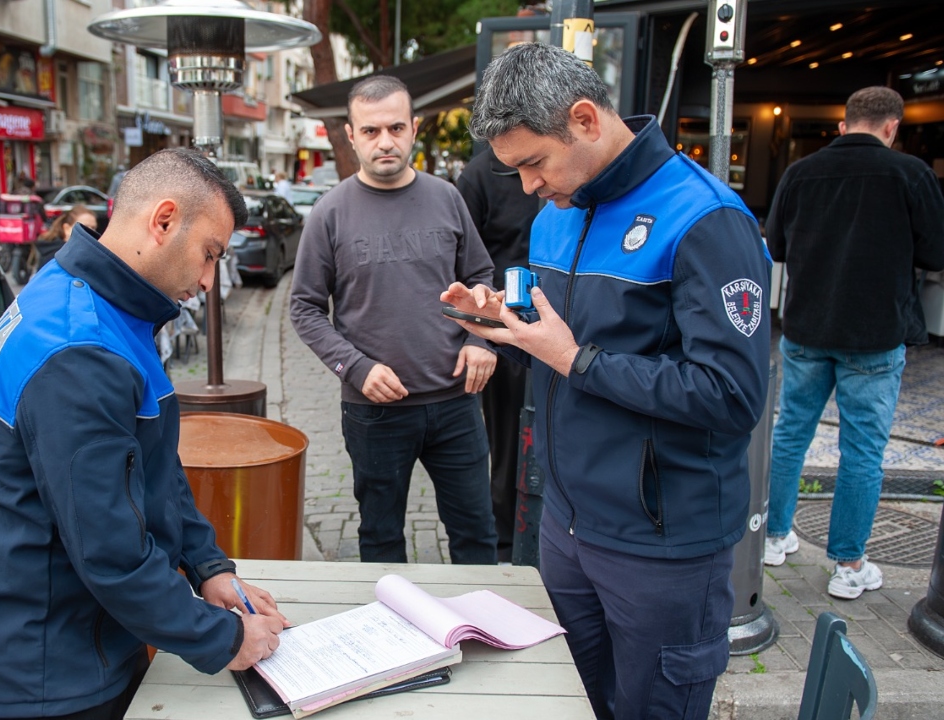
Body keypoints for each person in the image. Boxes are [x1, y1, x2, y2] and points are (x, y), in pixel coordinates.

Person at [442, 43, 771, 720]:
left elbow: (732, 395)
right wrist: (509, 325)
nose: (527, 186)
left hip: (661, 546)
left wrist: (574, 359)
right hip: (565, 526)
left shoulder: (707, 218)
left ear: (586, 120)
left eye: (534, 162)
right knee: (571, 705)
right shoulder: (555, 213)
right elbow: (562, 342)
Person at [0, 148, 288, 720]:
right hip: (50, 671)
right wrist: (224, 639)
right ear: (164, 220)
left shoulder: (89, 298)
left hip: (79, 635)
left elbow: (150, 466)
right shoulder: (80, 354)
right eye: (209, 254)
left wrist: (208, 566)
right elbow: (110, 550)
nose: (209, 280)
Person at [290, 75, 499, 565]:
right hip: (375, 409)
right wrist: (355, 368)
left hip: (456, 402)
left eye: (396, 128)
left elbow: (480, 276)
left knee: (476, 533)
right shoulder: (329, 213)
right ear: (351, 135)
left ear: (414, 128)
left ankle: (483, 613)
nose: (385, 141)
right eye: (371, 131)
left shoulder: (447, 198)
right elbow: (304, 307)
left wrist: (482, 341)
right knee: (381, 539)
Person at [763, 86, 944, 599]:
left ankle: (773, 538)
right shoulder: (912, 174)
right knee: (862, 451)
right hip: (875, 334)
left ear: (843, 125)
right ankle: (848, 565)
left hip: (806, 327)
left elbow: (776, 245)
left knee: (790, 435)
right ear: (892, 127)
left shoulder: (801, 172)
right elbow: (936, 252)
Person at [455, 144, 541, 565]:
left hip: (565, 327)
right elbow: (464, 263)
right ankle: (507, 544)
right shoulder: (478, 176)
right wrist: (482, 338)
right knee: (508, 443)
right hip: (506, 331)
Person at [34, 203, 96, 271]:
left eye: (93, 228)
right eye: (84, 227)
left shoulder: (88, 255)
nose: (90, 231)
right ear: (66, 228)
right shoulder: (57, 257)